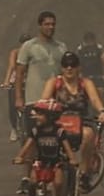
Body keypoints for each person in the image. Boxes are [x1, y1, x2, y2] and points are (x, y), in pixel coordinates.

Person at [40, 48, 104, 184]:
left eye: (73, 65)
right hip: (58, 122)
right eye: (66, 64)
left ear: (78, 67)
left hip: (81, 121)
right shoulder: (54, 83)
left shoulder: (85, 83)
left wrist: (102, 112)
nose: (69, 68)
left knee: (88, 134)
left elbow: (95, 100)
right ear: (61, 67)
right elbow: (44, 101)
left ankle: (84, 172)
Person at [13, 98, 78, 196]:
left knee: (58, 183)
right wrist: (20, 157)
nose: (36, 117)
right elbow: (27, 146)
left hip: (56, 163)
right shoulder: (36, 131)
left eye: (40, 114)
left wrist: (72, 159)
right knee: (32, 181)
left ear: (51, 116)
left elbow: (67, 148)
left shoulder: (59, 132)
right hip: (40, 162)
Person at [9, 12, 66, 141]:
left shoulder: (61, 47)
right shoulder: (29, 46)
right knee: (33, 138)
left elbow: (66, 73)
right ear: (40, 25)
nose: (50, 27)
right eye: (47, 24)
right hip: (34, 99)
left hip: (55, 100)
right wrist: (18, 97)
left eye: (53, 24)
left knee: (58, 137)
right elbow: (19, 73)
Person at [77, 31, 104, 97]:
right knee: (85, 94)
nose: (90, 42)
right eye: (88, 40)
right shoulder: (80, 49)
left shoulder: (98, 48)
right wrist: (79, 73)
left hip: (98, 75)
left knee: (100, 93)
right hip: (85, 76)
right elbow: (78, 61)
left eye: (91, 40)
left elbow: (103, 57)